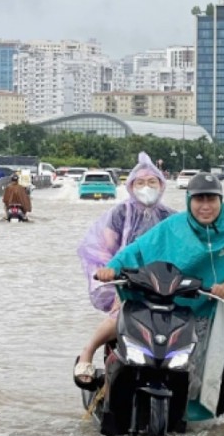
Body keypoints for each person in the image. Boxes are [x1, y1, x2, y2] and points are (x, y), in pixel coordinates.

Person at [94, 173, 224, 419]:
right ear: (188, 200)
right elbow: (136, 251)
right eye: (199, 199)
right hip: (175, 306)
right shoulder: (172, 228)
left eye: (211, 199)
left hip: (218, 309)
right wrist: (112, 268)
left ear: (221, 200)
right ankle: (91, 364)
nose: (205, 206)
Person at [74, 152, 176, 386]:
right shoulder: (121, 213)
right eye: (140, 182)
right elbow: (104, 248)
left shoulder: (171, 217)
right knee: (119, 317)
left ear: (161, 185)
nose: (146, 187)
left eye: (152, 182)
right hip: (127, 282)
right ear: (130, 186)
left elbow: (185, 250)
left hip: (164, 283)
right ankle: (87, 352)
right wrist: (111, 274)